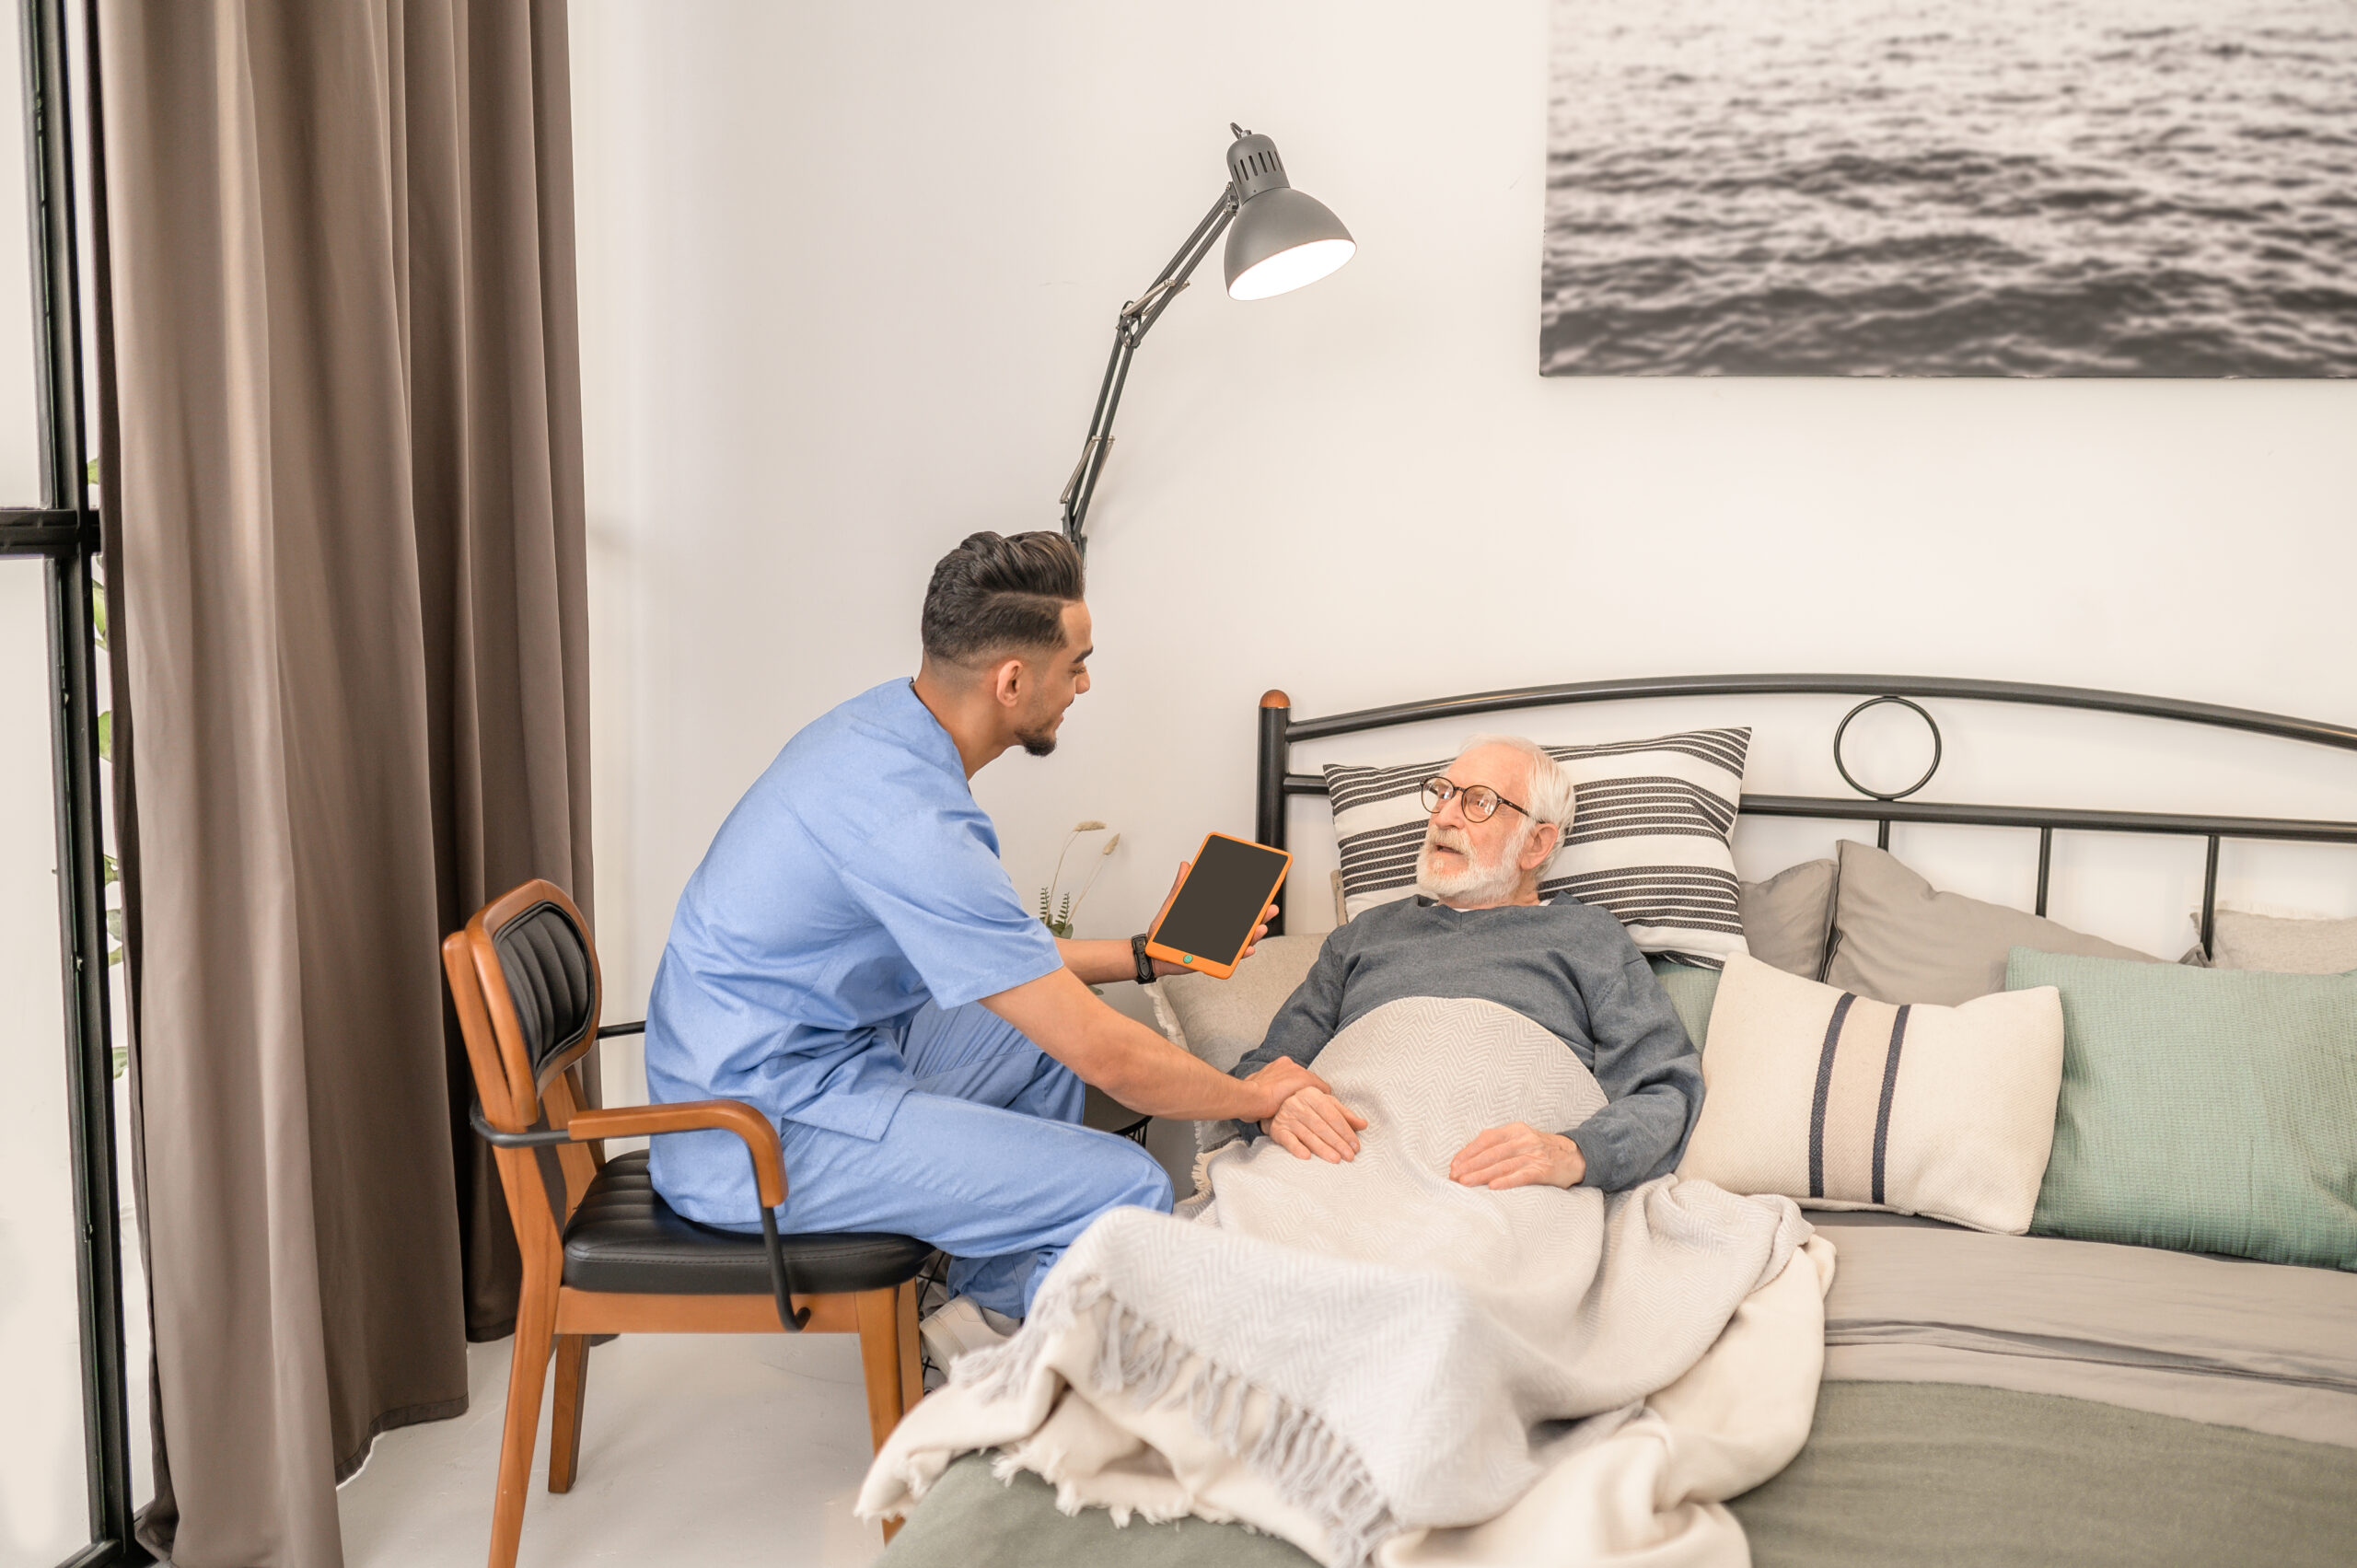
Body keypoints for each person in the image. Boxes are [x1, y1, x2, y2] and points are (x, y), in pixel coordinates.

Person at [641, 529, 1355, 1323]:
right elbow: (1104, 1054)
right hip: (753, 1133)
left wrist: (1143, 958)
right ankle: (996, 1356)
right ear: (1013, 680)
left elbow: (1004, 962)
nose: (1084, 684)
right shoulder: (910, 819)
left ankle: (986, 1304)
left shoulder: (883, 732)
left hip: (799, 1059)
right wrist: (1252, 1096)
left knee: (1029, 1034)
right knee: (1128, 1185)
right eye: (1077, 663)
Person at [1227, 735, 1703, 1192]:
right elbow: (1264, 1070)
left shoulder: (1590, 937)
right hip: (1339, 1163)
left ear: (1536, 844)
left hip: (1492, 1180)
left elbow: (1665, 1088)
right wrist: (1274, 1106)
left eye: (1478, 802)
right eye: (1442, 793)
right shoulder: (1362, 936)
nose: (1443, 816)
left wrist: (1574, 1153)